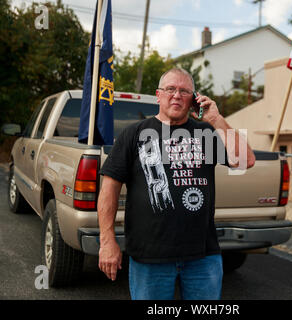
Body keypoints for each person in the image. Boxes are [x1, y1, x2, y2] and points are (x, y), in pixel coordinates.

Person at [97, 67, 256, 300]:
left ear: (194, 98)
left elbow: (246, 161)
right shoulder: (134, 134)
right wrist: (107, 241)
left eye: (184, 91)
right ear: (158, 95)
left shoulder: (206, 133)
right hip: (149, 256)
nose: (177, 95)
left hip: (202, 256)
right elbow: (109, 191)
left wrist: (215, 119)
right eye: (170, 89)